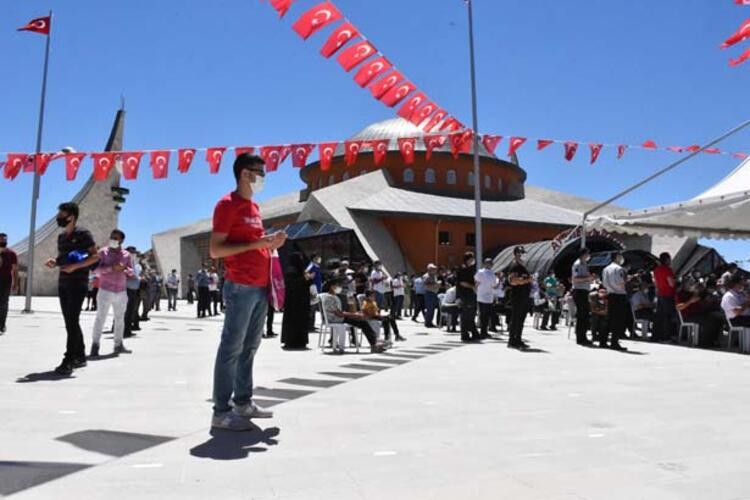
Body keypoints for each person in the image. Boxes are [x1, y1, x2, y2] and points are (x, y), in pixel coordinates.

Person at [210, 153, 288, 431]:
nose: (263, 177)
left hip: (259, 285)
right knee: (231, 347)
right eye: (260, 172)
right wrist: (256, 246)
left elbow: (255, 242)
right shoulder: (227, 205)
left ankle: (243, 402)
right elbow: (216, 249)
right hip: (240, 285)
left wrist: (270, 243)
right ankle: (221, 411)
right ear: (245, 173)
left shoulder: (254, 207)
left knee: (250, 347)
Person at [44, 202, 98, 375]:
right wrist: (55, 261)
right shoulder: (61, 237)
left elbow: (94, 257)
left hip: (78, 283)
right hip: (63, 283)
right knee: (70, 321)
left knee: (72, 320)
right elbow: (63, 258)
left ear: (71, 216)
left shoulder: (83, 234)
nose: (58, 218)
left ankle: (69, 359)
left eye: (61, 215)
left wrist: (75, 267)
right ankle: (80, 355)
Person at [89, 229, 133, 357]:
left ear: (122, 240)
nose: (113, 240)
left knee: (120, 319)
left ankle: (118, 345)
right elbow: (95, 270)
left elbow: (131, 272)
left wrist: (124, 269)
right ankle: (95, 345)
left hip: (121, 291)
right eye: (111, 237)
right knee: (100, 318)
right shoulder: (103, 252)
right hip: (105, 290)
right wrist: (111, 268)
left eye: (116, 238)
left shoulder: (126, 255)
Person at [321, 279, 386, 354]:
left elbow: (341, 312)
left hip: (340, 317)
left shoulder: (334, 296)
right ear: (332, 287)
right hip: (335, 319)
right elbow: (338, 314)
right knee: (362, 322)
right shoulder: (329, 297)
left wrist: (355, 314)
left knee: (361, 320)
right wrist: (354, 315)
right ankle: (374, 343)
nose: (340, 288)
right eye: (338, 286)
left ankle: (375, 342)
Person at [677, 283, 723, 348]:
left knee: (717, 319)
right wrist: (690, 301)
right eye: (690, 284)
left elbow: (701, 305)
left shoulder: (694, 294)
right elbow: (678, 307)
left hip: (699, 314)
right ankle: (704, 343)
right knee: (708, 321)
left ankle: (712, 341)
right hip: (688, 316)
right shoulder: (680, 294)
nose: (692, 286)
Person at [281, 252, 311, 349]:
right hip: (293, 301)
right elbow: (292, 284)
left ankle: (300, 340)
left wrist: (308, 278)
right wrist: (304, 278)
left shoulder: (300, 270)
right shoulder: (291, 270)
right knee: (293, 321)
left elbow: (305, 283)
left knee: (301, 321)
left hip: (301, 301)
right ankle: (292, 341)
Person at [507, 246, 533, 349]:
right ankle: (512, 340)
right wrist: (527, 281)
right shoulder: (515, 266)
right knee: (516, 319)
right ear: (515, 254)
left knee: (521, 319)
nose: (522, 255)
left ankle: (518, 339)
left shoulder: (523, 267)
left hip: (524, 296)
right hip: (518, 297)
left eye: (523, 253)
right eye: (520, 253)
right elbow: (513, 281)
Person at [602, 252, 628, 351]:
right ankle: (614, 342)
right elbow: (621, 283)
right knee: (618, 320)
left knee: (608, 318)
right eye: (621, 256)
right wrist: (626, 281)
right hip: (619, 295)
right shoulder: (619, 269)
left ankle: (603, 341)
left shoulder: (606, 268)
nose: (622, 258)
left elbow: (604, 283)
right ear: (617, 257)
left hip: (610, 294)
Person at [571, 248, 594, 346]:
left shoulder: (584, 264)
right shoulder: (578, 264)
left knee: (585, 315)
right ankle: (580, 338)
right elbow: (575, 279)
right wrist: (587, 278)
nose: (589, 255)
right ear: (583, 255)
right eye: (587, 254)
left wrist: (590, 279)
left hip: (584, 291)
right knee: (581, 315)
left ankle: (583, 336)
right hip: (579, 291)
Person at [653, 252, 678, 342]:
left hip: (660, 294)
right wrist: (676, 281)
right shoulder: (667, 269)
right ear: (667, 260)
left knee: (659, 316)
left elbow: (655, 283)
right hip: (668, 294)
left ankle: (656, 336)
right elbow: (671, 283)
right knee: (668, 317)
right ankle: (666, 337)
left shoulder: (656, 270)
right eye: (670, 259)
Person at [457, 252, 480, 343]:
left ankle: (474, 333)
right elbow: (461, 282)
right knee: (465, 315)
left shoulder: (471, 269)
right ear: (467, 259)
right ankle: (464, 334)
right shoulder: (463, 269)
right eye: (471, 259)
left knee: (471, 314)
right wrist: (472, 286)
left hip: (471, 294)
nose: (473, 260)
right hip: (464, 294)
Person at [475, 258, 498, 339]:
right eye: (488, 263)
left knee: (484, 315)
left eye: (490, 263)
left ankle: (484, 331)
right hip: (484, 296)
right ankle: (483, 331)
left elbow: (477, 282)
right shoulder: (487, 273)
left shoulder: (489, 273)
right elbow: (494, 285)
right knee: (484, 315)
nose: (490, 265)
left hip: (485, 296)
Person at [0, 233, 18, 335]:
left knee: (3, 303)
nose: (3, 241)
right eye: (1, 239)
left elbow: (15, 270)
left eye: (4, 239)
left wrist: (15, 283)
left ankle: (2, 324)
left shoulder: (12, 254)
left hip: (6, 281)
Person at [124, 246, 141, 338]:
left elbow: (137, 274)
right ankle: (125, 330)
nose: (134, 254)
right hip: (126, 289)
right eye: (132, 252)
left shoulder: (136, 264)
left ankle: (128, 329)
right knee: (125, 311)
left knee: (131, 311)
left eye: (134, 253)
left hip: (134, 290)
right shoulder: (124, 262)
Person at [305, 254, 323, 331]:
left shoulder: (317, 266)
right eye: (317, 258)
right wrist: (310, 276)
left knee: (314, 308)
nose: (319, 259)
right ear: (313, 259)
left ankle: (312, 325)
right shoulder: (311, 265)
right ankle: (309, 326)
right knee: (311, 308)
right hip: (313, 289)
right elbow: (306, 273)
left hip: (317, 289)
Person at [423, 264, 441, 328]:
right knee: (430, 309)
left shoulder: (434, 276)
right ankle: (427, 322)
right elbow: (426, 285)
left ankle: (430, 322)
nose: (435, 270)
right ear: (429, 270)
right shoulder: (426, 276)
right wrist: (436, 284)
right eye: (433, 269)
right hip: (429, 293)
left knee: (432, 309)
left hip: (434, 293)